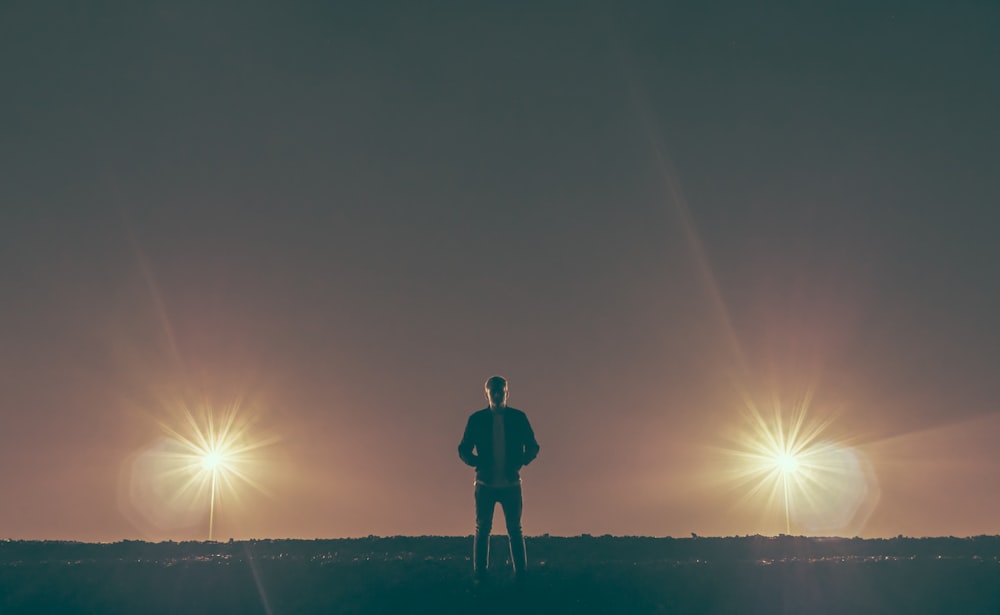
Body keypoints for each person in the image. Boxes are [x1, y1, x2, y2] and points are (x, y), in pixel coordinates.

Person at [458, 375, 540, 581]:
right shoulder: (476, 419)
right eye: (493, 391)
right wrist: (477, 462)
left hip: (511, 483)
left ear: (506, 393)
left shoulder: (518, 418)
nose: (496, 394)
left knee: (514, 529)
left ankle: (520, 576)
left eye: (500, 390)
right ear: (487, 394)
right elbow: (463, 449)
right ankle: (480, 576)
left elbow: (533, 446)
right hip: (485, 484)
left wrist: (521, 462)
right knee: (483, 529)